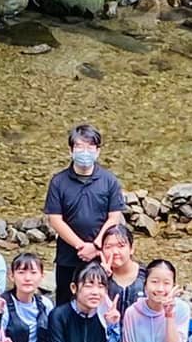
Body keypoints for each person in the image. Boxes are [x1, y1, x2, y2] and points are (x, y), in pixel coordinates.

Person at [43, 124, 128, 304]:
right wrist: (80, 246)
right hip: (68, 256)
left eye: (90, 147)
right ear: (71, 150)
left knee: (101, 301)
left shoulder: (109, 181)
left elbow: (114, 217)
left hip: (101, 255)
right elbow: (55, 219)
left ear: (97, 151)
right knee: (65, 303)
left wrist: (96, 245)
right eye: (80, 147)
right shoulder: (58, 182)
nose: (85, 152)